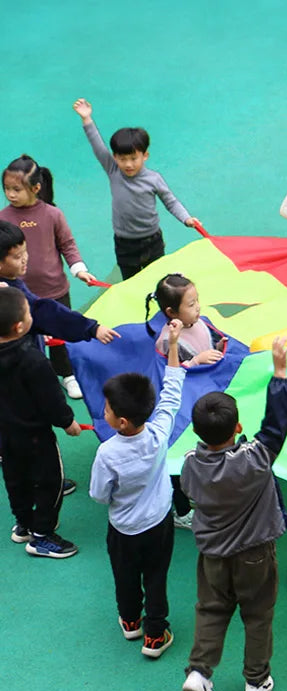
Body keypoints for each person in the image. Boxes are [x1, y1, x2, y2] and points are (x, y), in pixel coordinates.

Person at [180, 337, 287, 691]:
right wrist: (280, 374)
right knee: (257, 614)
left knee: (211, 611)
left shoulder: (190, 468)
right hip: (255, 555)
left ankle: (199, 672)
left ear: (197, 433)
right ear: (238, 425)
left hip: (212, 556)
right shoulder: (253, 461)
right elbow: (276, 427)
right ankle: (256, 680)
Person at [89, 320, 186, 658]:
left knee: (125, 576)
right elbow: (172, 394)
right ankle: (156, 635)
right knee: (156, 577)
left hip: (124, 530)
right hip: (159, 523)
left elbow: (100, 495)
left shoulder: (107, 454)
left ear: (122, 422)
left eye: (107, 409)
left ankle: (131, 621)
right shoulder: (159, 434)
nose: (105, 411)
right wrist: (173, 344)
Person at [0, 221, 119, 496]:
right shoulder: (13, 301)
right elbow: (44, 312)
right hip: (20, 387)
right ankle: (45, 485)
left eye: (25, 251)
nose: (26, 259)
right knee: (34, 437)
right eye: (17, 257)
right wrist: (91, 328)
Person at [0, 155, 98, 399]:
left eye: (16, 189)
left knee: (59, 331)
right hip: (17, 294)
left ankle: (67, 373)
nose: (11, 194)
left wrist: (78, 268)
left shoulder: (53, 214)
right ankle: (33, 377)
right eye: (7, 189)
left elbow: (67, 244)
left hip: (55, 289)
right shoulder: (3, 218)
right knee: (25, 336)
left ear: (35, 188)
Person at [72, 98, 200, 280]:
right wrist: (87, 119)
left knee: (157, 280)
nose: (128, 164)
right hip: (124, 244)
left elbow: (171, 202)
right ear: (115, 157)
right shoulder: (113, 170)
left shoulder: (154, 179)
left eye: (133, 158)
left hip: (152, 241)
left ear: (145, 155)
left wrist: (186, 218)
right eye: (122, 159)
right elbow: (98, 146)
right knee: (130, 282)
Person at [0, 287, 82, 558]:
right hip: (35, 436)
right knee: (51, 481)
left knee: (15, 479)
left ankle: (24, 523)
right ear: (20, 325)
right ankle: (43, 535)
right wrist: (68, 422)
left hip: (5, 436)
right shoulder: (34, 361)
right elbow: (51, 400)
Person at [145, 273, 225, 528]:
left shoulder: (199, 323)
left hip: (201, 399)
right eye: (191, 305)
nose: (198, 307)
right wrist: (196, 362)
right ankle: (180, 510)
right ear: (171, 312)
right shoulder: (169, 340)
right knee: (177, 453)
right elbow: (172, 373)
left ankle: (193, 490)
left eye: (197, 300)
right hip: (182, 410)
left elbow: (209, 341)